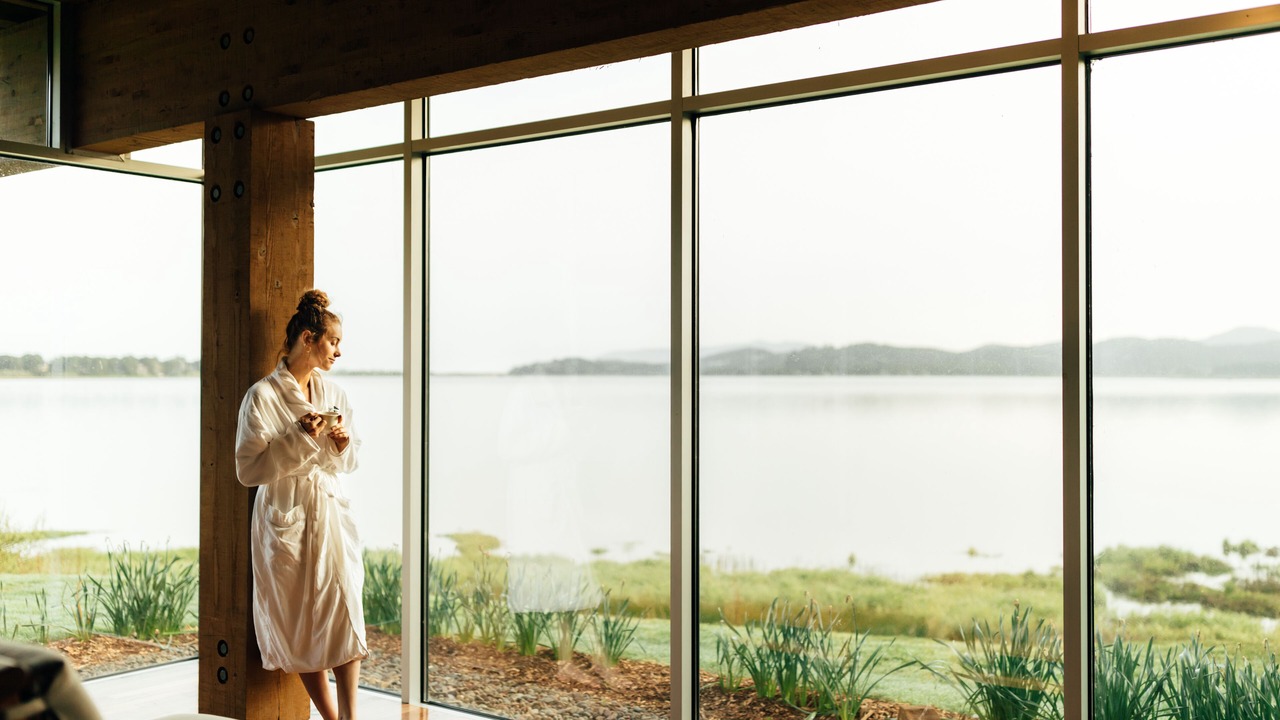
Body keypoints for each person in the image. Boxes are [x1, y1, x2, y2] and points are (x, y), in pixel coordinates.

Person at [234, 289, 366, 720]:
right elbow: (248, 471)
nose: (339, 352)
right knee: (299, 624)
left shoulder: (334, 393)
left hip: (328, 511)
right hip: (286, 516)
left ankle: (350, 716)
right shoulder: (262, 397)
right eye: (333, 342)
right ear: (309, 338)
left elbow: (348, 460)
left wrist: (342, 445)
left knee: (345, 610)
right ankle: (333, 719)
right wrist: (300, 438)